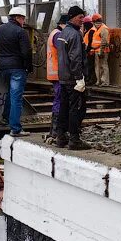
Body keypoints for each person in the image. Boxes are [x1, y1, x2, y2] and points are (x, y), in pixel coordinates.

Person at [0, 7, 33, 137]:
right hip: (18, 68)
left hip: (4, 68)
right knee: (16, 97)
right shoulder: (20, 32)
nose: (24, 21)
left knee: (9, 93)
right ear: (18, 18)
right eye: (23, 19)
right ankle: (15, 128)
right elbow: (26, 52)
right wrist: (28, 67)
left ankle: (6, 117)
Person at [55, 5, 89, 150]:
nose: (82, 20)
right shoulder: (75, 35)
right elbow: (75, 58)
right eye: (80, 17)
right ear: (72, 17)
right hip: (73, 78)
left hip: (63, 77)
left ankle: (60, 136)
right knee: (77, 108)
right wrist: (79, 78)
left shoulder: (63, 33)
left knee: (64, 107)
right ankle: (74, 139)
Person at [44, 12, 68, 144]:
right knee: (59, 100)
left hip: (54, 73)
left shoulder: (53, 33)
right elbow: (63, 51)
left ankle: (54, 131)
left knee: (59, 99)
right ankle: (55, 131)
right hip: (58, 73)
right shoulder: (58, 35)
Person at [88, 13, 111, 86]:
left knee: (103, 66)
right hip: (97, 50)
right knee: (98, 66)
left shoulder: (103, 29)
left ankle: (105, 82)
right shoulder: (99, 29)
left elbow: (104, 41)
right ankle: (99, 81)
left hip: (102, 50)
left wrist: (101, 51)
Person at [81, 15, 96, 85]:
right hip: (89, 51)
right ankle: (89, 79)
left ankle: (90, 80)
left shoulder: (91, 31)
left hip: (90, 52)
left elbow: (90, 42)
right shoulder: (90, 30)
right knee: (89, 66)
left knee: (90, 66)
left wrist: (87, 51)